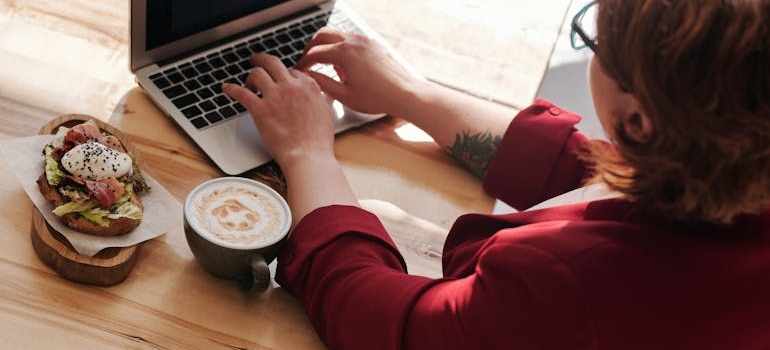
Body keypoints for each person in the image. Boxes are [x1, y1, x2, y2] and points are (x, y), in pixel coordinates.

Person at [222, 0, 770, 348]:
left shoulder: (564, 277)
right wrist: (410, 94)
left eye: (597, 35)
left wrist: (307, 155)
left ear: (638, 122)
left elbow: (390, 326)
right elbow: (597, 175)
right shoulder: (736, 164)